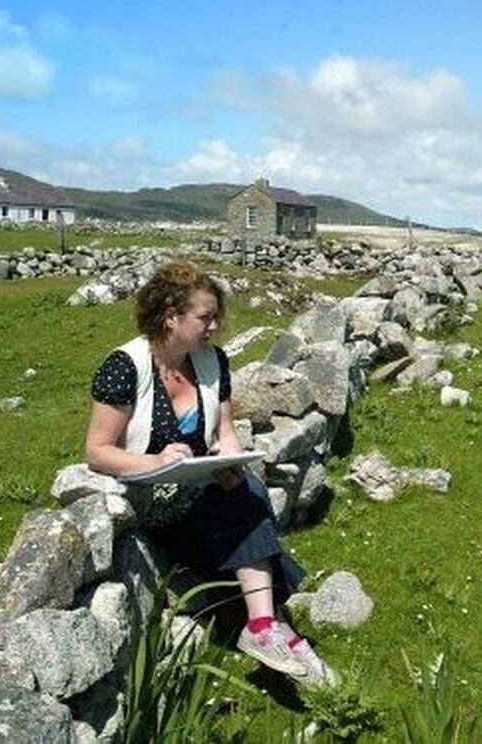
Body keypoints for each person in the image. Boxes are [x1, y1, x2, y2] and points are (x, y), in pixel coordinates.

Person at [85, 259, 335, 685]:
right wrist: (155, 460)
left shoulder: (212, 361)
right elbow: (96, 451)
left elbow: (224, 432)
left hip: (203, 493)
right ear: (171, 318)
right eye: (206, 317)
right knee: (247, 510)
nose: (215, 326)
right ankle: (273, 630)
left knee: (245, 490)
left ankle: (264, 628)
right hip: (151, 504)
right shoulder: (125, 367)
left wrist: (230, 464)